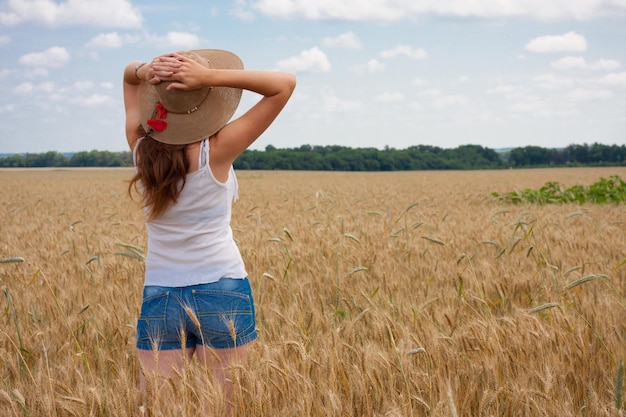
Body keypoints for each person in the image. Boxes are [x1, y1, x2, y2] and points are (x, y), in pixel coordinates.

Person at [122, 49, 296, 415]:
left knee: (157, 409)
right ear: (204, 106)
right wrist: (208, 77)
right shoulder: (215, 152)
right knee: (227, 408)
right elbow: (284, 85)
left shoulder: (140, 148)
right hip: (222, 288)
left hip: (160, 295)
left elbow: (128, 77)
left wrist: (146, 70)